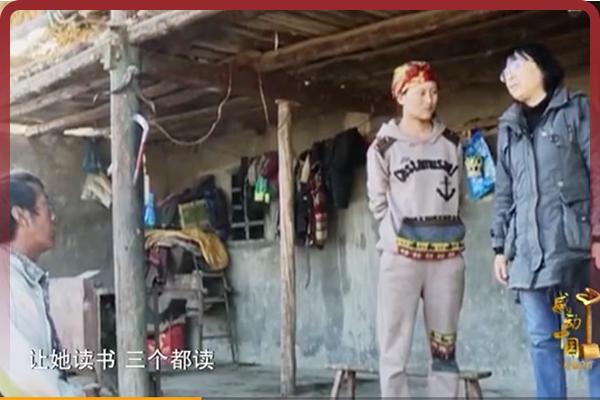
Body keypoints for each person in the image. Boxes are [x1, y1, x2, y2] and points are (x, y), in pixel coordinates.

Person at [491, 43, 599, 398]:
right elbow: (504, 192)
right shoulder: (509, 127)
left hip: (574, 249)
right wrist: (499, 247)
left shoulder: (576, 110)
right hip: (528, 256)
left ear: (542, 68)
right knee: (542, 343)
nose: (509, 76)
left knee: (591, 344)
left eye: (517, 66)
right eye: (505, 71)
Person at [367, 61, 466, 398]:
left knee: (445, 349)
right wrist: (396, 236)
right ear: (401, 96)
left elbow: (459, 197)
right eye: (421, 92)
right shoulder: (383, 147)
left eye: (433, 92)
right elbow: (378, 203)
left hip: (447, 260)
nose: (429, 99)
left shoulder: (452, 144)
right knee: (394, 347)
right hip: (401, 260)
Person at [0, 171, 85, 396]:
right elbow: (28, 375)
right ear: (21, 216)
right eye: (46, 206)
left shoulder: (21, 276)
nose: (53, 217)